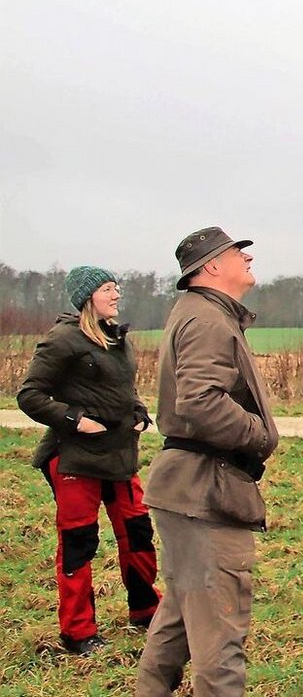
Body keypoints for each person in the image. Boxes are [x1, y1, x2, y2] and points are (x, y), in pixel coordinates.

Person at [136, 227, 278, 697]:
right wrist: (260, 436)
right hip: (205, 493)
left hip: (191, 490)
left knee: (177, 622)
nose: (248, 257)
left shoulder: (204, 313)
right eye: (239, 252)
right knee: (219, 642)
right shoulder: (208, 320)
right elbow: (200, 402)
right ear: (212, 266)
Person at [17, 266, 160, 656]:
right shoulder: (63, 340)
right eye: (108, 289)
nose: (116, 295)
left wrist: (138, 410)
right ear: (87, 297)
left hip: (120, 456)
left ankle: (147, 609)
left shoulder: (117, 338)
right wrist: (75, 420)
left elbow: (122, 389)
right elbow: (30, 395)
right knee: (80, 544)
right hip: (75, 461)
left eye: (116, 288)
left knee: (138, 533)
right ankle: (78, 633)